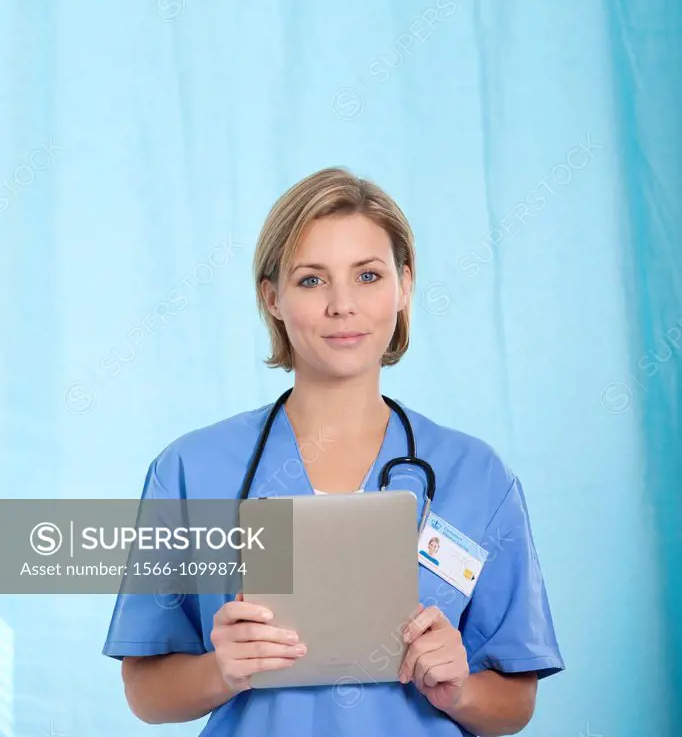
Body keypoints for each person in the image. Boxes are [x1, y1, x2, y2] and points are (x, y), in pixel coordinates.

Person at [102, 166, 565, 736]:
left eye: (368, 276)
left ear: (405, 286)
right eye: (312, 280)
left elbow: (514, 704)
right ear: (271, 297)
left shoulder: (477, 477)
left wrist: (460, 687)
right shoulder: (190, 471)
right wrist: (221, 671)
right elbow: (146, 693)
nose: (343, 305)